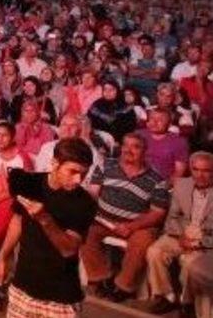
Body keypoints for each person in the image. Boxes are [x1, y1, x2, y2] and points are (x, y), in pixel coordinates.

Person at [0, 138, 98, 318]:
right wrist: (2, 257)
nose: (78, 180)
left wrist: (44, 219)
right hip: (22, 288)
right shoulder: (30, 183)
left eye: (83, 174)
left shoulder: (85, 203)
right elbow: (17, 220)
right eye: (72, 171)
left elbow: (68, 249)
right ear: (54, 163)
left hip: (60, 298)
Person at [79, 131, 169, 301]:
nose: (128, 150)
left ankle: (123, 286)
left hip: (136, 224)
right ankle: (99, 278)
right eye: (125, 145)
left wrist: (131, 227)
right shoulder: (105, 165)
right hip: (104, 220)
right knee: (83, 229)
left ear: (145, 151)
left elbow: (157, 213)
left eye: (135, 147)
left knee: (142, 242)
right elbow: (92, 194)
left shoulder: (157, 180)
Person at [144, 151, 213, 317]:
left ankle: (187, 303)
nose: (200, 175)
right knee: (154, 251)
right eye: (196, 169)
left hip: (206, 240)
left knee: (190, 264)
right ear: (190, 169)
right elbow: (172, 218)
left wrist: (199, 242)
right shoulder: (182, 185)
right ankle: (166, 296)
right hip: (181, 233)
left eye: (206, 170)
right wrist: (181, 236)